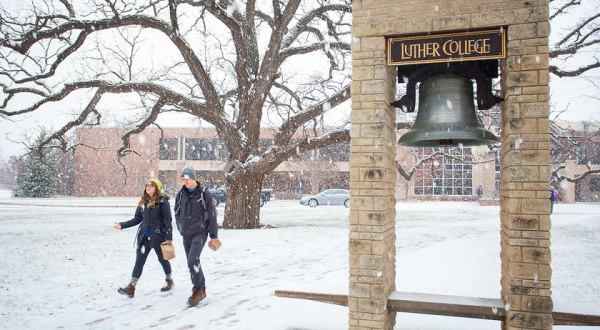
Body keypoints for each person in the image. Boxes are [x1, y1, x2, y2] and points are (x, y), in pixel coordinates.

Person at [113, 178, 174, 298]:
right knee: (139, 262)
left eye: (152, 186)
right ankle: (131, 287)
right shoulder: (143, 202)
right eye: (147, 186)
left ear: (157, 188)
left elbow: (168, 221)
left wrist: (169, 238)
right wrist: (122, 225)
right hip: (144, 237)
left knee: (163, 260)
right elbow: (137, 219)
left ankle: (169, 280)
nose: (148, 188)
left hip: (158, 237)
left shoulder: (163, 202)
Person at [175, 166, 221, 307]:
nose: (185, 182)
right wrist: (180, 226)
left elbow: (212, 214)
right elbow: (176, 212)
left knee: (192, 260)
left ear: (194, 178)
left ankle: (198, 290)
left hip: (200, 232)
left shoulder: (204, 194)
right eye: (183, 179)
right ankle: (200, 288)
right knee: (192, 262)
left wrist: (213, 235)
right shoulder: (181, 194)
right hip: (186, 233)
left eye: (187, 179)